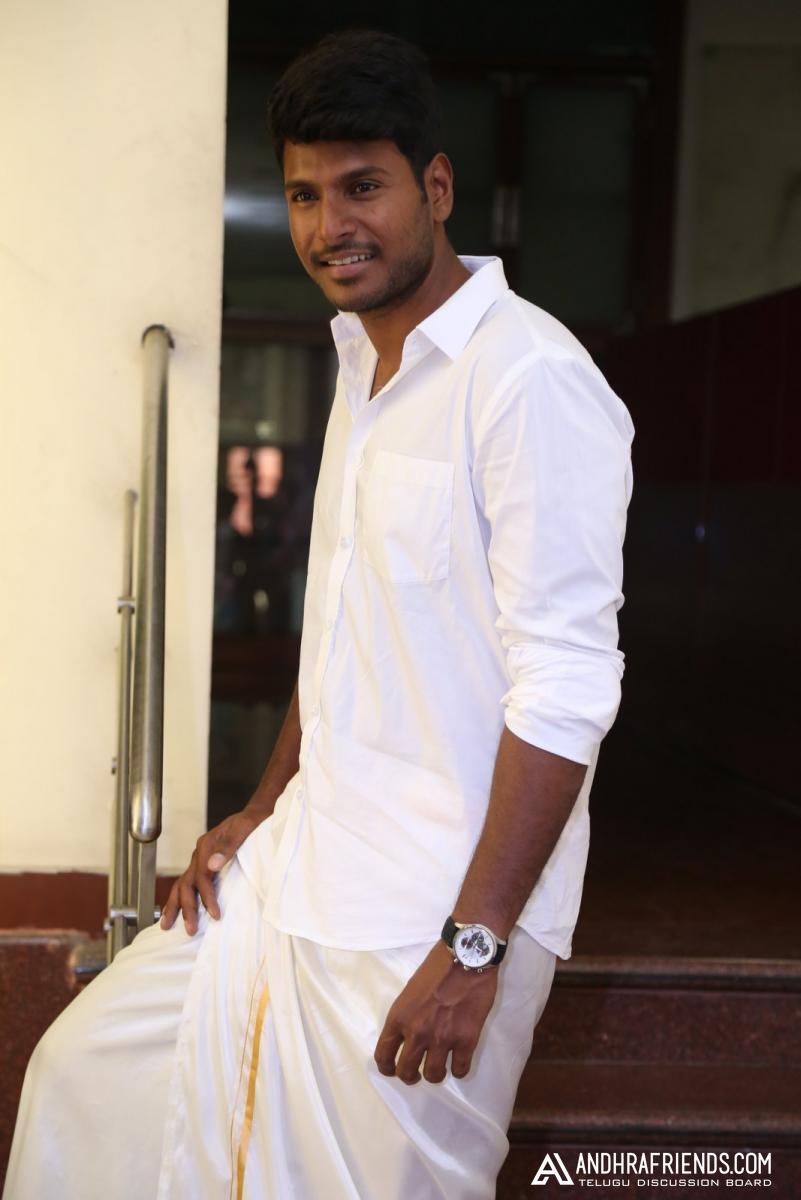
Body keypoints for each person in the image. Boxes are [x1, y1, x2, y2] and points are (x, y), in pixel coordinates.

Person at [4, 29, 634, 1200]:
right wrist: (260, 805)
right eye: (304, 194)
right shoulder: (363, 366)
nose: (329, 223)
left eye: (361, 187)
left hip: (431, 914)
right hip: (303, 867)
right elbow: (343, 635)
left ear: (434, 187)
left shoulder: (528, 380)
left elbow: (567, 686)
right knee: (86, 1081)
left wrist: (475, 945)